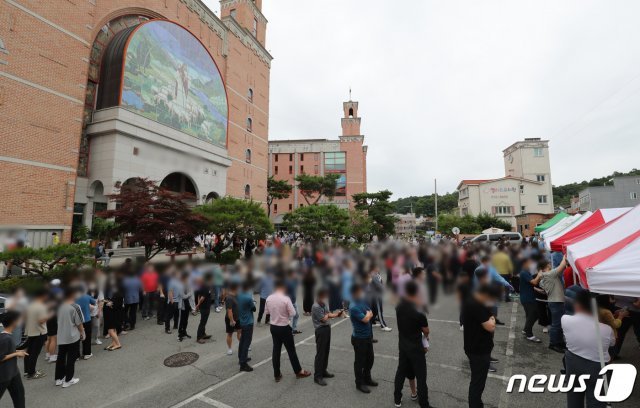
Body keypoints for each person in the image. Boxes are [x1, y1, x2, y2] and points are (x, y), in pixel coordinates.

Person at [562, 290, 614, 408]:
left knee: (574, 396)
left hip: (572, 362)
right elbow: (612, 343)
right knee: (596, 401)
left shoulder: (565, 319)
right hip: (597, 366)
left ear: (578, 305)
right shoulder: (606, 329)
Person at [394, 280, 434, 408]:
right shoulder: (419, 309)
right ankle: (424, 403)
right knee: (421, 376)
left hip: (403, 344)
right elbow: (426, 330)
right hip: (416, 347)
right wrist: (426, 338)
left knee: (401, 371)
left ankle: (397, 399)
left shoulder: (399, 305)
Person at [265, 280, 311, 382]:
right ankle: (298, 371)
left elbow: (267, 312)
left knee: (276, 350)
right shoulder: (286, 299)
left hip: (274, 326)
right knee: (291, 350)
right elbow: (293, 313)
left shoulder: (269, 298)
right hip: (284, 326)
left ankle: (277, 374)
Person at [462, 284, 499, 408]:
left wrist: (490, 318)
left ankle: (477, 403)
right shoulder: (476, 305)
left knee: (477, 381)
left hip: (474, 347)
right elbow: (491, 326)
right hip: (478, 350)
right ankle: (475, 405)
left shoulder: (472, 300)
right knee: (477, 383)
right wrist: (492, 318)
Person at [349, 283, 377, 394]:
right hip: (359, 339)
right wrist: (368, 315)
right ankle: (359, 383)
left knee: (370, 359)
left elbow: (371, 312)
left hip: (368, 336)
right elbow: (366, 319)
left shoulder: (362, 301)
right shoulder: (354, 306)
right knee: (359, 362)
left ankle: (367, 378)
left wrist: (368, 315)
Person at [311, 287, 343, 386]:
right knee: (320, 353)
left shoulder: (323, 303)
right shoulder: (316, 306)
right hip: (320, 330)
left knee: (326, 351)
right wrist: (328, 315)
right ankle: (317, 376)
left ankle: (323, 370)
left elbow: (328, 314)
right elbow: (324, 319)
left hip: (327, 329)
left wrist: (337, 314)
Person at [55, 286, 85, 388]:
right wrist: (83, 333)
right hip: (72, 336)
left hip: (61, 336)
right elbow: (79, 323)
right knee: (71, 358)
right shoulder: (75, 306)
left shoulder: (59, 306)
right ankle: (68, 380)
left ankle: (59, 379)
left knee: (61, 357)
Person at [539, 256, 567, 353]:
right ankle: (554, 343)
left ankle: (559, 342)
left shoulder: (544, 276)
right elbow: (562, 265)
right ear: (547, 265)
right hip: (556, 302)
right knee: (556, 324)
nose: (551, 265)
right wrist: (565, 256)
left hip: (555, 301)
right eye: (549, 263)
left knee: (559, 324)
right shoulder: (549, 274)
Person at [0, 311, 27, 408]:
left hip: (13, 373)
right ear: (13, 322)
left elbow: (6, 351)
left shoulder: (6, 337)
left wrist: (16, 352)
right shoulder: (5, 338)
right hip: (4, 375)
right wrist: (16, 353)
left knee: (19, 397)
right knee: (19, 398)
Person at [23, 289, 50, 379]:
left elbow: (25, 318)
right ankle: (32, 373)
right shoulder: (42, 306)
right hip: (39, 332)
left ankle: (27, 371)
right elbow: (41, 320)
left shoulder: (30, 305)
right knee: (35, 353)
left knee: (29, 352)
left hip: (30, 331)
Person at [518, 257, 542, 343]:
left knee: (530, 315)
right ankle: (529, 334)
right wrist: (539, 275)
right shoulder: (524, 272)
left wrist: (537, 290)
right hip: (527, 298)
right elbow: (534, 282)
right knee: (534, 314)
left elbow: (528, 284)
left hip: (527, 297)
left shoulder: (525, 272)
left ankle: (525, 330)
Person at [237, 281, 256, 372]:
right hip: (248, 322)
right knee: (246, 343)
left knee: (242, 341)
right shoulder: (248, 298)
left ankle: (241, 357)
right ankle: (243, 363)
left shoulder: (239, 294)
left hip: (242, 321)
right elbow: (254, 308)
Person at [75, 287, 97, 359]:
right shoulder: (86, 296)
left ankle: (76, 355)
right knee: (87, 337)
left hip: (76, 321)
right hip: (87, 319)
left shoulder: (73, 298)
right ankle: (87, 353)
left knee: (76, 338)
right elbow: (94, 302)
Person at [195, 274, 213, 343]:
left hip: (204, 306)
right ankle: (199, 337)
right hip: (205, 307)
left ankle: (203, 334)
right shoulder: (205, 286)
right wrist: (198, 305)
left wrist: (198, 304)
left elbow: (199, 296)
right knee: (202, 322)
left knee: (204, 321)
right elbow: (202, 298)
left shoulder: (201, 286)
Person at [177, 271, 195, 342]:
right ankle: (179, 335)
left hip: (187, 304)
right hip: (182, 305)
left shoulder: (187, 284)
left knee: (186, 320)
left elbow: (191, 292)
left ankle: (184, 332)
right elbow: (183, 296)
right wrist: (190, 294)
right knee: (182, 320)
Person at [225, 282, 242, 355]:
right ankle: (229, 348)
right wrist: (232, 320)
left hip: (238, 318)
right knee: (230, 334)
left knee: (240, 332)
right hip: (230, 319)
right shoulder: (229, 298)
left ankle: (242, 345)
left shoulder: (238, 296)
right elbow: (229, 311)